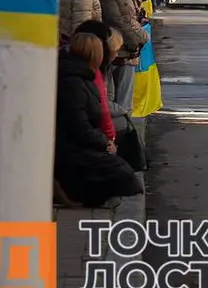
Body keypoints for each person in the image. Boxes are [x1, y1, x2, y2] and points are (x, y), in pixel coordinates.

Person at [54, 32, 143, 207]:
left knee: (122, 168)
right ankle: (79, 194)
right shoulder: (75, 82)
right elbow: (80, 126)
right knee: (121, 172)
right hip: (71, 148)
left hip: (79, 142)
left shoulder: (83, 76)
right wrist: (105, 142)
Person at [96, 0, 147, 111]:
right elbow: (117, 20)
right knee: (121, 104)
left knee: (117, 101)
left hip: (121, 50)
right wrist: (138, 39)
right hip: (120, 50)